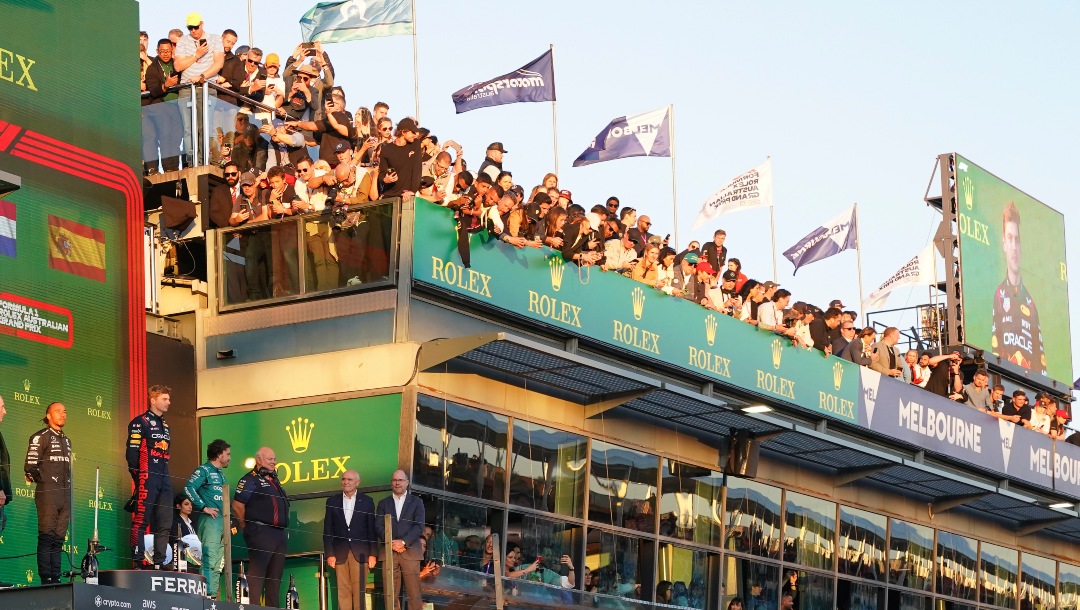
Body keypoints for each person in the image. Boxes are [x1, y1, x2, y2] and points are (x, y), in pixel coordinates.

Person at [992, 201, 1044, 374]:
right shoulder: (999, 294)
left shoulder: (1030, 302)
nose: (1014, 247)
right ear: (1004, 243)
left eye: (1017, 240)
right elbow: (994, 349)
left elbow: (1040, 359)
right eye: (1010, 239)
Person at [234, 447, 290, 607]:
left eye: (274, 459)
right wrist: (247, 526)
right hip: (260, 531)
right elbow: (237, 505)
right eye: (269, 459)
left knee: (275, 576)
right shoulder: (250, 479)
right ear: (259, 460)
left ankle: (273, 607)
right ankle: (253, 607)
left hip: (278, 533)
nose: (273, 462)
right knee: (257, 574)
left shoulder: (274, 479)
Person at [24, 402, 71, 584]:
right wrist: (45, 482)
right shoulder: (40, 437)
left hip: (64, 496)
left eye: (64, 411)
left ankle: (56, 578)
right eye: (58, 411)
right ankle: (46, 578)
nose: (62, 414)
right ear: (48, 416)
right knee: (47, 536)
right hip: (48, 494)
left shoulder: (67, 440)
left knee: (58, 539)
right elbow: (29, 467)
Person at [127, 384, 173, 568]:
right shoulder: (140, 422)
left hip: (164, 475)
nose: (168, 402)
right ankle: (137, 561)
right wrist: (139, 476)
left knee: (165, 521)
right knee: (141, 519)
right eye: (164, 399)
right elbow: (132, 453)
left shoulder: (166, 424)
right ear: (153, 400)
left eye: (169, 399)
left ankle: (159, 562)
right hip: (148, 475)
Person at [184, 438, 231, 598]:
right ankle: (205, 595)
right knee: (209, 557)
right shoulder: (203, 470)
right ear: (219, 455)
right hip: (209, 521)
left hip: (222, 523)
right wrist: (203, 507)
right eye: (227, 454)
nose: (229, 457)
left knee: (219, 562)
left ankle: (212, 596)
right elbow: (188, 487)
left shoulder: (222, 475)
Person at [324, 470, 377, 610]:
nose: (346, 482)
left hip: (361, 553)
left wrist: (373, 554)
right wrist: (330, 554)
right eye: (343, 479)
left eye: (349, 479)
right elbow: (327, 530)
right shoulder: (332, 501)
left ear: (357, 483)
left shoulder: (367, 501)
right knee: (343, 591)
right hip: (339, 553)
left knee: (359, 591)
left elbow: (371, 530)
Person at [376, 470, 425, 610]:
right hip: (389, 552)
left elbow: (419, 526)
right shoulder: (383, 503)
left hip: (410, 552)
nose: (397, 483)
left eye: (400, 480)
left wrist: (403, 542)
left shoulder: (417, 502)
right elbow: (378, 526)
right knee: (390, 594)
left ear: (407, 482)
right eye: (394, 480)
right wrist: (391, 542)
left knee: (414, 594)